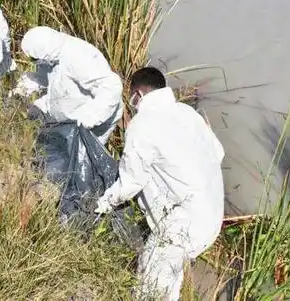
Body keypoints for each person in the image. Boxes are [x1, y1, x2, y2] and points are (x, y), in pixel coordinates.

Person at [94, 67, 225, 301]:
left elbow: (130, 183)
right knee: (170, 279)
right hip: (213, 217)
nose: (132, 102)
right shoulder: (187, 113)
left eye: (132, 95)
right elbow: (218, 152)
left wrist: (104, 203)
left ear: (139, 94)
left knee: (151, 285)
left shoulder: (142, 125)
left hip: (182, 226)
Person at [17, 26, 124, 144]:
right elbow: (40, 76)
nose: (33, 61)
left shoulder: (79, 56)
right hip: (67, 119)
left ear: (42, 53)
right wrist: (19, 93)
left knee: (79, 160)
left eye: (33, 59)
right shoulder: (52, 54)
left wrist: (84, 122)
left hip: (91, 125)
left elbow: (112, 87)